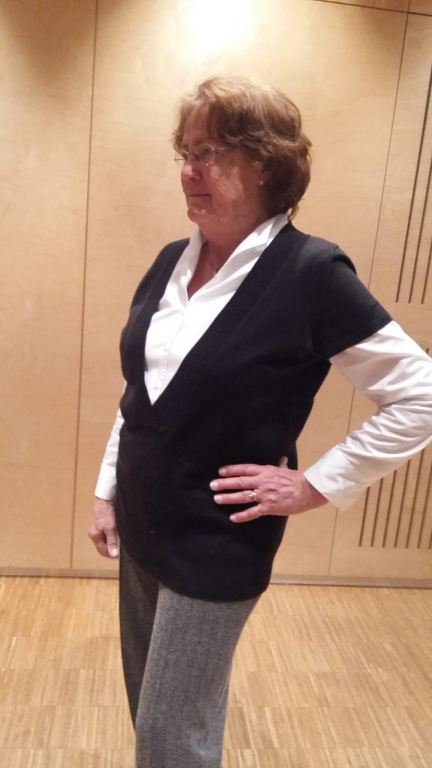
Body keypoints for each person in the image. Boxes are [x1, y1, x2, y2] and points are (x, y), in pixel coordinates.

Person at [89, 76, 432, 768]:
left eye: (210, 153)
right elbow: (141, 394)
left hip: (219, 539)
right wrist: (107, 489)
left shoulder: (310, 273)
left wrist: (314, 486)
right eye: (185, 153)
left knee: (169, 736)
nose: (189, 171)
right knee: (155, 709)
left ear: (268, 164)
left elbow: (420, 395)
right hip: (143, 520)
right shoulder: (170, 262)